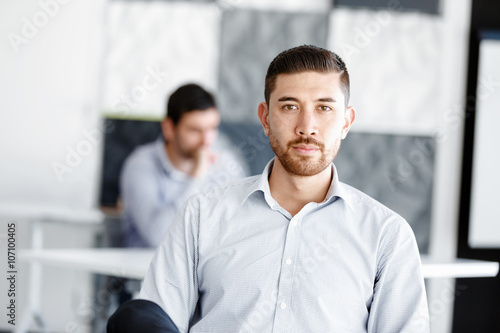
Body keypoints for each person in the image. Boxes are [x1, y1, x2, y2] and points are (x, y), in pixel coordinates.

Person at [108, 45, 429, 332]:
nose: (307, 127)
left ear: (346, 122)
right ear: (265, 118)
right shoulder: (201, 215)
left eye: (324, 108)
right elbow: (155, 320)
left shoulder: (387, 236)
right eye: (290, 106)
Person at [120, 83, 246, 248]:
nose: (206, 141)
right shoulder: (141, 166)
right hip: (145, 270)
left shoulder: (226, 164)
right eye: (195, 130)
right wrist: (197, 177)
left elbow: (242, 229)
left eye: (212, 128)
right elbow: (158, 237)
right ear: (169, 128)